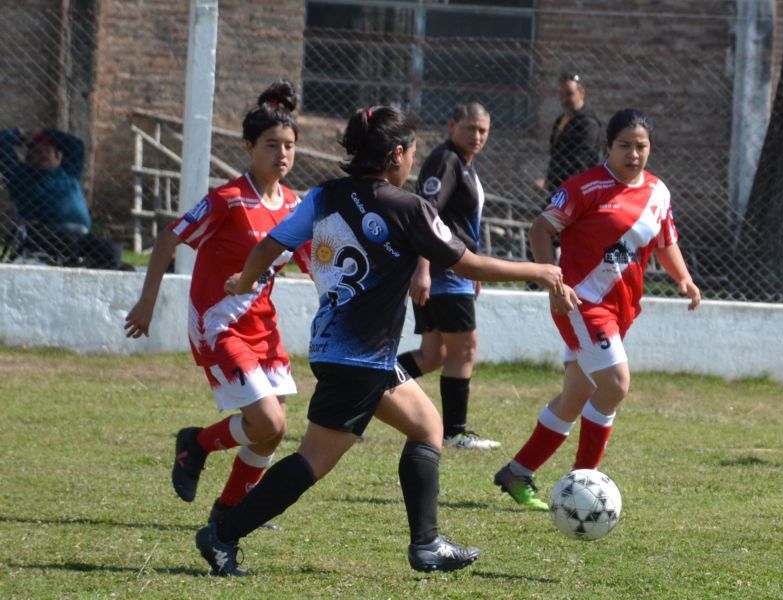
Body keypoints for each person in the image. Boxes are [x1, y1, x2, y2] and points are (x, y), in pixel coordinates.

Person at [193, 106, 564, 576]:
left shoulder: (324, 196)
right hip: (359, 358)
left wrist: (245, 281)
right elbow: (466, 263)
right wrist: (541, 271)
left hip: (343, 351)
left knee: (427, 426)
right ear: (395, 154)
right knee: (313, 461)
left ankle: (427, 545)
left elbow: (270, 245)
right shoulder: (407, 207)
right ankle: (222, 535)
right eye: (410, 151)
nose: (413, 160)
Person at [494, 108, 701, 510]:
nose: (634, 154)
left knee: (578, 394)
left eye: (641, 146)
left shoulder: (658, 192)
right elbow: (541, 228)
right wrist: (552, 280)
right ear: (609, 146)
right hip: (580, 303)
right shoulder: (584, 188)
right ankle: (584, 484)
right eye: (625, 145)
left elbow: (664, 240)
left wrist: (684, 278)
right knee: (615, 385)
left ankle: (517, 471)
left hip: (620, 310)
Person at [124, 80, 307, 525]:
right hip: (217, 324)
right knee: (268, 423)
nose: (281, 154)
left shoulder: (296, 206)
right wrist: (148, 303)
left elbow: (314, 261)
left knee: (270, 433)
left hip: (263, 328)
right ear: (249, 147)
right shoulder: (227, 199)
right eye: (270, 145)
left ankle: (227, 512)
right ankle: (197, 444)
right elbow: (170, 238)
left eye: (289, 146)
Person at [395, 102, 498, 450]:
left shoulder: (465, 164)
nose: (476, 136)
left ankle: (364, 392)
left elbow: (460, 224)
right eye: (469, 128)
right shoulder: (447, 160)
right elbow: (427, 214)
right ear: (452, 124)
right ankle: (455, 432)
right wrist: (422, 269)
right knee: (464, 349)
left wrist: (475, 268)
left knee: (433, 354)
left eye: (482, 130)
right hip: (442, 271)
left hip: (455, 270)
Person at [0, 126, 120, 268]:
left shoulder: (69, 172)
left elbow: (76, 145)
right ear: (27, 159)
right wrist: (20, 134)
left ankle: (86, 279)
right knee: (69, 242)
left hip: (80, 236)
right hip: (43, 232)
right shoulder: (19, 177)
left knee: (112, 251)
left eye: (46, 151)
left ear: (57, 157)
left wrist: (44, 132)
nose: (41, 154)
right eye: (35, 152)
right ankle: (75, 263)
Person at [534, 73, 603, 195]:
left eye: (569, 94)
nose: (565, 99)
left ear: (581, 93)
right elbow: (556, 155)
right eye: (561, 95)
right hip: (558, 188)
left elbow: (581, 161)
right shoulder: (561, 120)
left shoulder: (588, 124)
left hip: (578, 189)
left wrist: (549, 181)